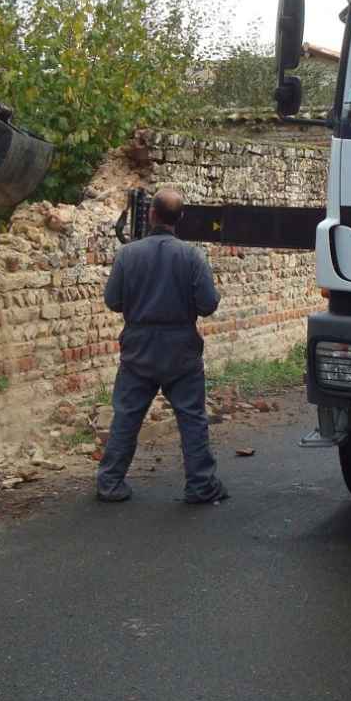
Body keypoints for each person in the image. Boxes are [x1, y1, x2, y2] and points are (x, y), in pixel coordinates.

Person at [97, 188, 229, 504]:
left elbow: (113, 301)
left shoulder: (128, 255)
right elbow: (208, 305)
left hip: (138, 347)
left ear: (151, 215)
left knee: (126, 416)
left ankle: (110, 483)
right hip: (181, 347)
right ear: (180, 218)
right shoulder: (192, 256)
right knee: (192, 418)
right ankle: (200, 485)